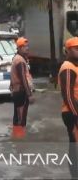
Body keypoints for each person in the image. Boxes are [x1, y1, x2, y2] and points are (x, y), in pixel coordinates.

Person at [58, 37, 78, 179]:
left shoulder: (75, 66)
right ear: (68, 50)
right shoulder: (68, 68)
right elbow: (68, 96)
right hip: (72, 113)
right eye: (76, 49)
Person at [10, 37, 34, 139]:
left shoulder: (17, 58)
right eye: (24, 47)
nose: (27, 48)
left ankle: (16, 137)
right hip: (21, 92)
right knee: (21, 117)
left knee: (17, 116)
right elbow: (23, 78)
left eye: (27, 46)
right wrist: (29, 95)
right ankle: (20, 141)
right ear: (19, 48)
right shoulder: (20, 60)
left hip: (17, 91)